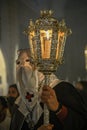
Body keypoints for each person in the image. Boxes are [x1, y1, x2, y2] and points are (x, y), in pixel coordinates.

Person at [10, 49, 87, 130]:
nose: (23, 66)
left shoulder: (62, 88)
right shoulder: (20, 101)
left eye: (30, 61)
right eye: (18, 63)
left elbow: (81, 123)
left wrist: (58, 108)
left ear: (40, 64)